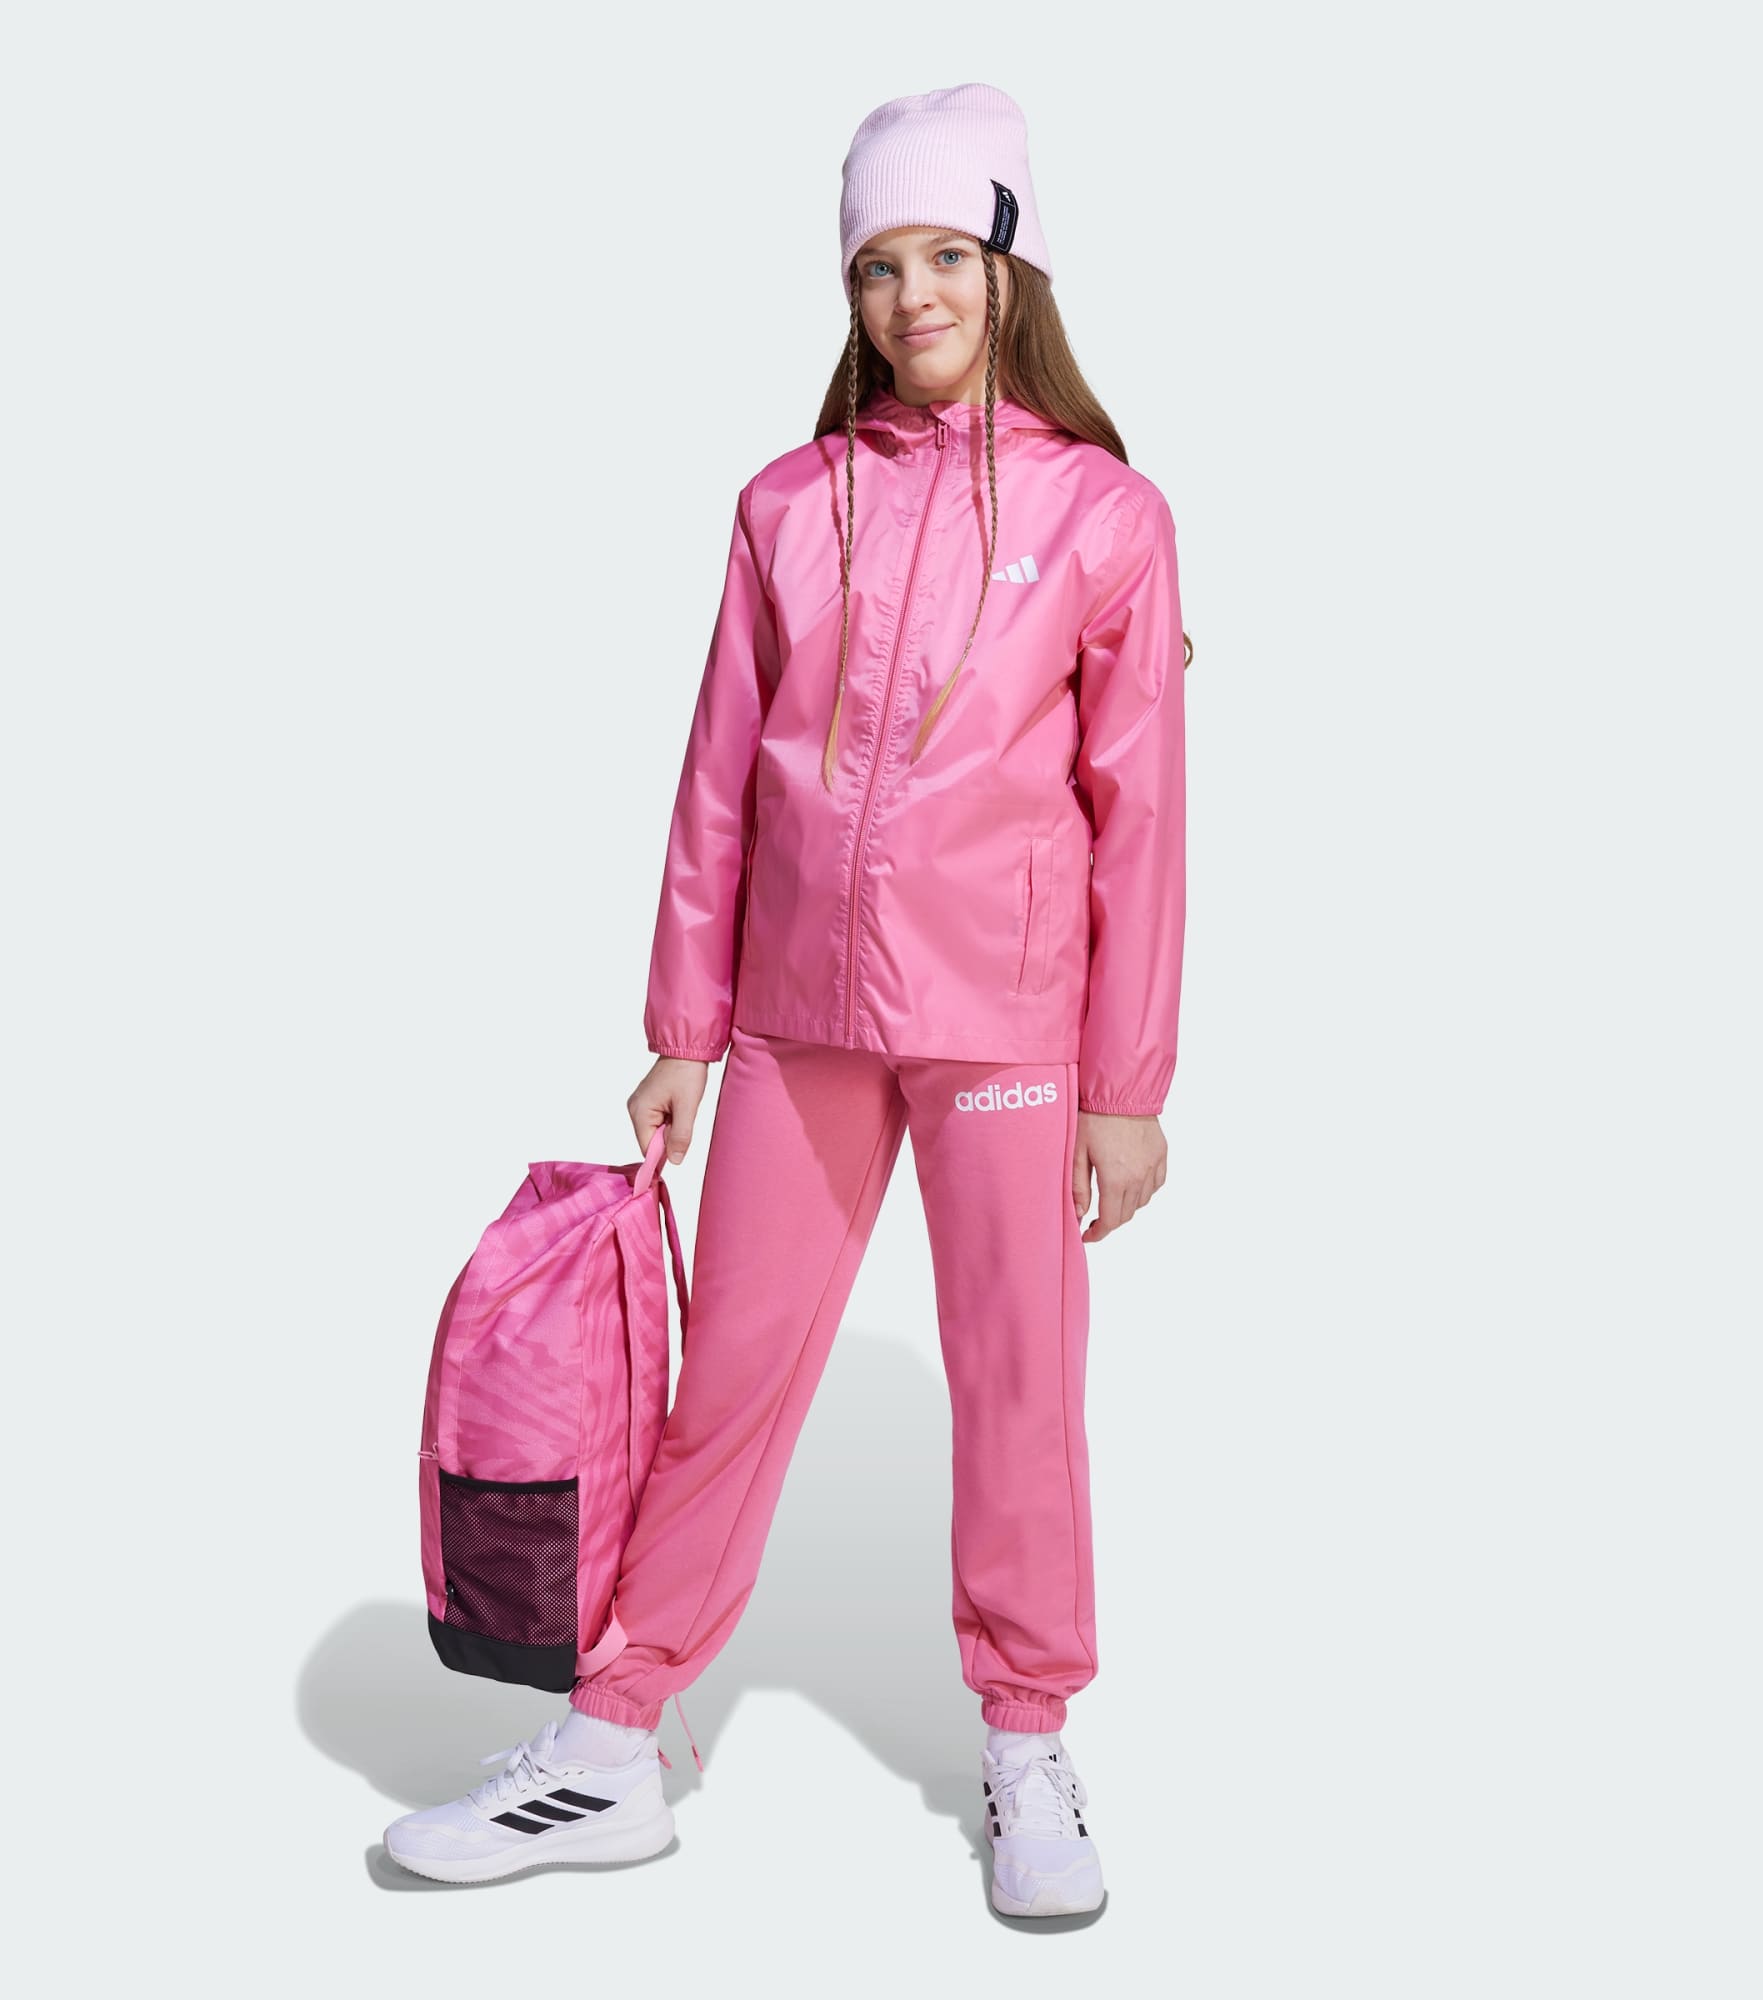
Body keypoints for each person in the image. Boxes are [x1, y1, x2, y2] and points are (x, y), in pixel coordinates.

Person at [384, 81, 1189, 1916]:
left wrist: (1127, 1081)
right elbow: (720, 776)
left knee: (1019, 1386)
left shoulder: (1108, 517)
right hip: (793, 1017)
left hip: (1009, 1024)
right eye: (877, 266)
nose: (912, 296)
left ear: (1011, 267)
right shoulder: (785, 504)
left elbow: (1141, 811)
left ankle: (1027, 1738)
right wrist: (683, 1028)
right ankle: (612, 1742)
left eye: (945, 255)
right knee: (729, 1381)